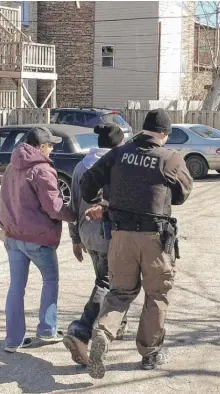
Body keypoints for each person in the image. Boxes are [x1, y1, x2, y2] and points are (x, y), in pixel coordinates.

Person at [80, 108, 193, 378]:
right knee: (156, 295)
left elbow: (87, 185)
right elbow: (182, 195)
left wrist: (103, 203)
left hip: (120, 236)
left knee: (120, 292)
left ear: (142, 129)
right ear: (164, 134)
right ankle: (150, 353)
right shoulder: (171, 158)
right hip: (155, 239)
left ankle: (103, 333)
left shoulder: (117, 154)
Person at [0, 126, 75, 353]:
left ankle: (13, 340)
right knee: (50, 281)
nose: (51, 149)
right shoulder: (42, 170)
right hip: (38, 238)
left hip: (12, 236)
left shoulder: (11, 167)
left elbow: (3, 200)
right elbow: (54, 207)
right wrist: (75, 216)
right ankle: (47, 330)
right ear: (41, 146)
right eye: (50, 145)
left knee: (16, 288)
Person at [64, 123, 128, 366]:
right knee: (108, 283)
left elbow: (73, 205)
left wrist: (75, 239)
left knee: (109, 281)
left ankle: (119, 325)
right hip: (107, 234)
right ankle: (81, 330)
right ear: (119, 144)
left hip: (87, 233)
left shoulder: (82, 166)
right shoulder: (116, 166)